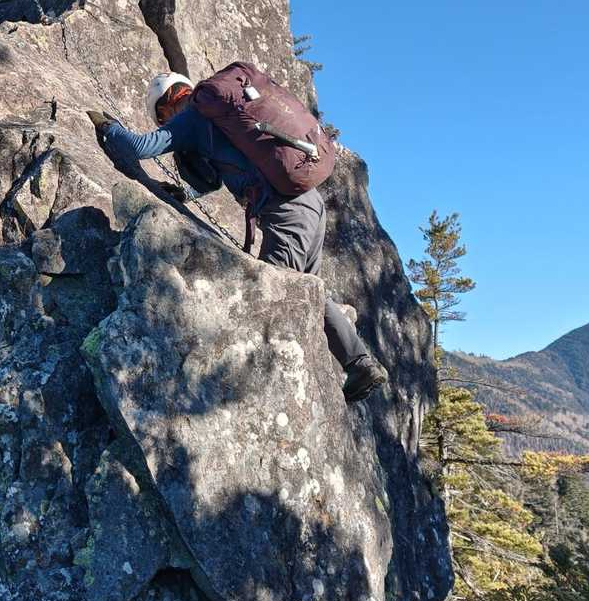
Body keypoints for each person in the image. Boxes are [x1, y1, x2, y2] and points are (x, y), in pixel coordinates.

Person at [90, 73, 389, 403]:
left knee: (268, 298)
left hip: (286, 213)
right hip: (310, 204)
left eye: (162, 117)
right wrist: (185, 194)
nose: (165, 122)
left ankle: (255, 398)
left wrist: (108, 127)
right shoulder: (221, 116)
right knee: (311, 291)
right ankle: (359, 362)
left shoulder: (192, 116)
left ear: (166, 106)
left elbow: (138, 147)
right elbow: (212, 180)